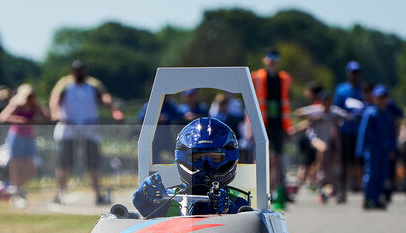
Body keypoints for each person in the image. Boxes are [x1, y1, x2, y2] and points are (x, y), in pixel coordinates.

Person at [133, 117, 248, 218]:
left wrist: (228, 210)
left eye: (215, 159)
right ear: (183, 158)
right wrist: (145, 195)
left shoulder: (237, 203)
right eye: (197, 159)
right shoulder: (168, 198)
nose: (205, 165)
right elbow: (145, 210)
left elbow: (249, 225)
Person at [49, 60, 124, 205]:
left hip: (89, 129)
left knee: (93, 164)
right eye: (75, 70)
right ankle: (58, 194)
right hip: (68, 128)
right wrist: (55, 113)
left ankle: (98, 194)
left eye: (80, 69)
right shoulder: (64, 83)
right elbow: (55, 98)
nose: (78, 72)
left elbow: (105, 97)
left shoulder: (94, 84)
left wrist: (115, 111)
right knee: (65, 165)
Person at [251, 47, 292, 210]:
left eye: (275, 57)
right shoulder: (258, 77)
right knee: (263, 159)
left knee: (278, 160)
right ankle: (261, 189)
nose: (272, 60)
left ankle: (278, 191)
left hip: (279, 125)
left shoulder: (284, 79)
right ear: (264, 59)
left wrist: (288, 128)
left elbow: (287, 103)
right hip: (263, 124)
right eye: (270, 57)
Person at [0, 84, 49, 208]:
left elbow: (46, 116)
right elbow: (2, 117)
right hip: (16, 138)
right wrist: (22, 120)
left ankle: (16, 190)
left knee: (31, 168)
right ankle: (17, 195)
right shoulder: (16, 104)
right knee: (15, 167)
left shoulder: (35, 105)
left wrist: (36, 120)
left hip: (30, 138)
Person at [294, 91, 348, 203]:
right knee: (322, 149)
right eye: (325, 103)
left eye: (329, 103)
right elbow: (299, 112)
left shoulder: (334, 111)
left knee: (331, 163)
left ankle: (330, 184)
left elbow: (347, 115)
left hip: (329, 142)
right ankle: (319, 173)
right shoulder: (316, 110)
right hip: (315, 139)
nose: (326, 106)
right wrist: (314, 117)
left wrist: (337, 119)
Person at [356, 85, 397, 209]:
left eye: (384, 97)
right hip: (373, 149)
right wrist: (360, 150)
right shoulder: (370, 113)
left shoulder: (387, 114)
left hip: (384, 149)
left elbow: (391, 134)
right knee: (371, 174)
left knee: (382, 175)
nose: (382, 100)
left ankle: (378, 198)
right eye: (379, 97)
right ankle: (368, 198)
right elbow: (363, 133)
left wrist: (392, 149)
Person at [334, 61, 366, 202]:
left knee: (360, 161)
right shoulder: (342, 90)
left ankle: (362, 189)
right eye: (352, 73)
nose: (355, 76)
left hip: (360, 131)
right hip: (346, 130)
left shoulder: (363, 90)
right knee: (344, 161)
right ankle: (342, 189)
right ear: (348, 73)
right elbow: (336, 110)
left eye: (357, 73)